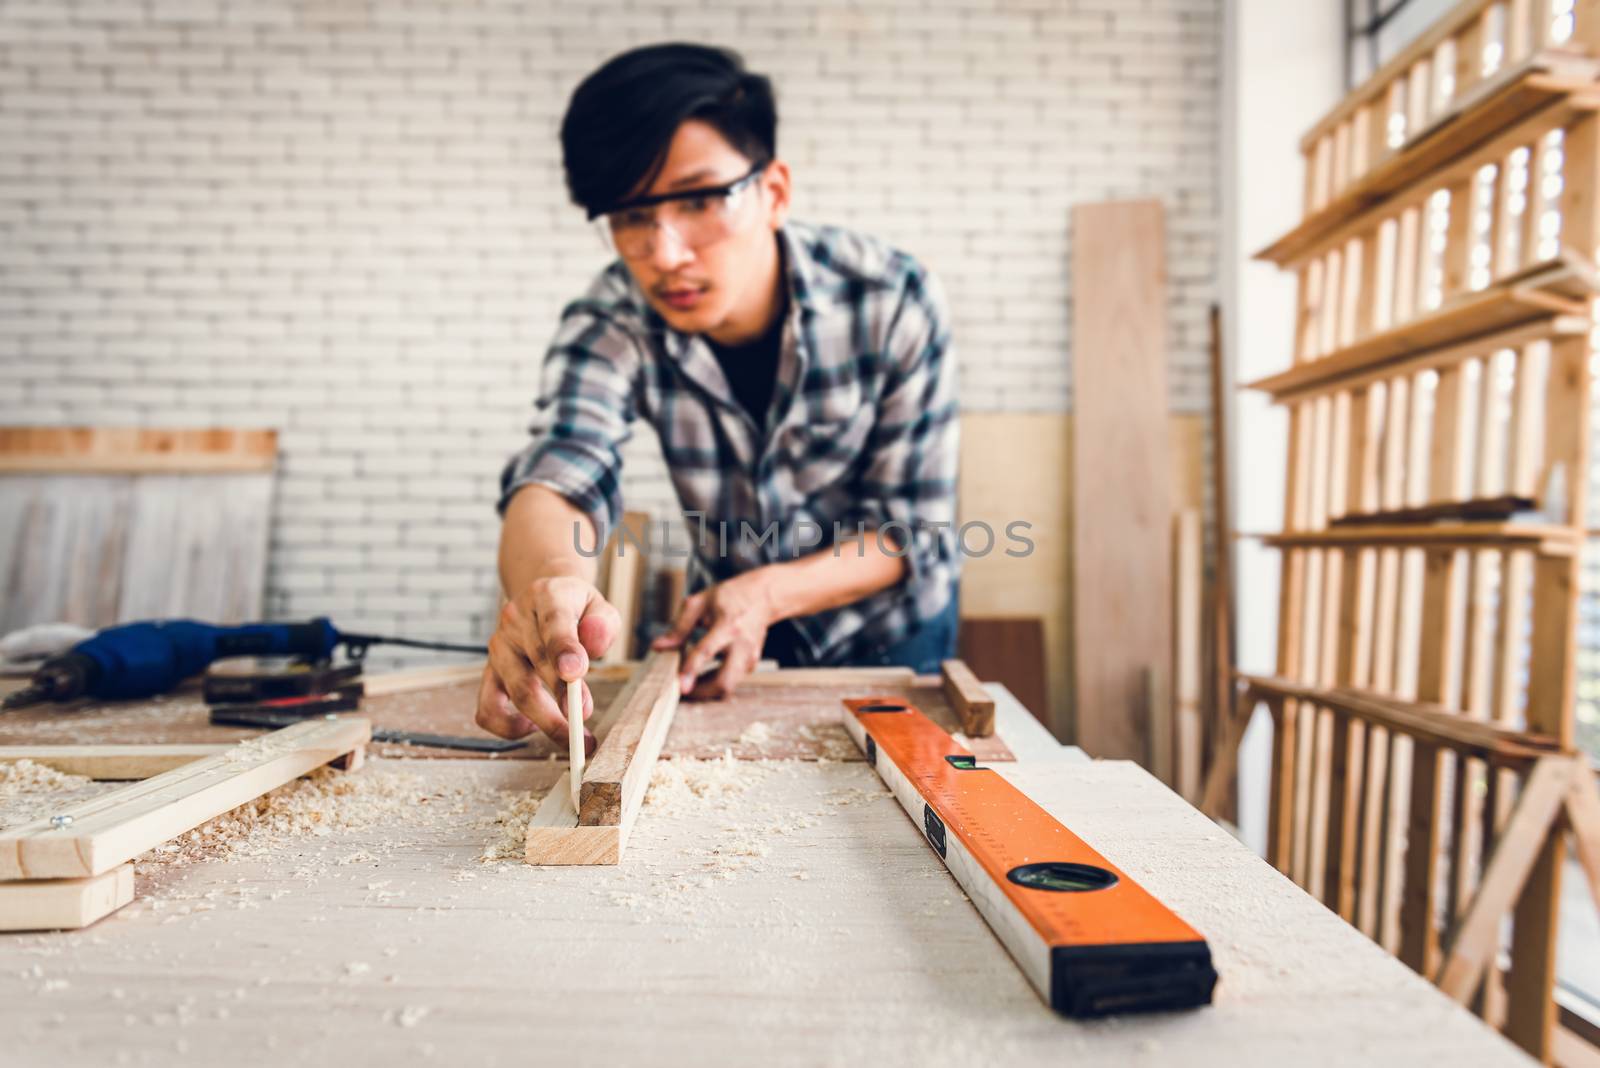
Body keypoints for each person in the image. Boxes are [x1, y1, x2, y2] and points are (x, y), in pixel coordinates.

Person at [477, 43, 959, 750]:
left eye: (699, 201)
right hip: (723, 645)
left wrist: (765, 592)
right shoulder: (613, 316)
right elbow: (562, 465)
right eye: (630, 216)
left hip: (888, 640)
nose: (664, 252)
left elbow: (910, 533)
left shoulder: (890, 298)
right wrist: (550, 592)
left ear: (774, 192)